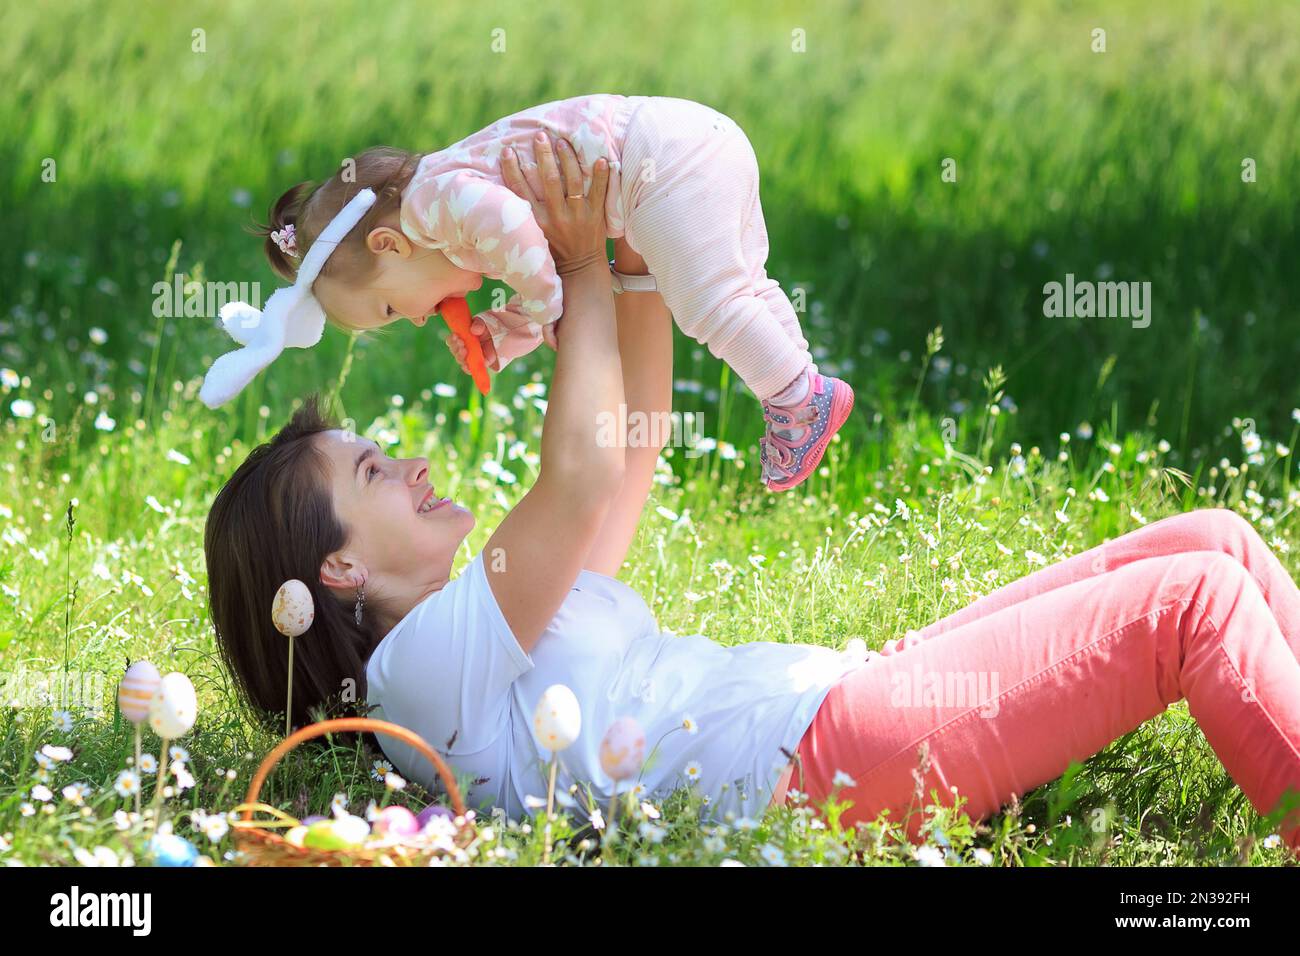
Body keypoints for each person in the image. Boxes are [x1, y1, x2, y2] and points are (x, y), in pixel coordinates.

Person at [204, 131, 1300, 858]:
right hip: (829, 766)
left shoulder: (499, 628)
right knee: (1190, 607)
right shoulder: (415, 673)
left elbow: (627, 455)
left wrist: (627, 254)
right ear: (335, 568)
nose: (410, 463)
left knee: (1214, 539)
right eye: (371, 473)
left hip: (855, 705)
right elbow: (578, 470)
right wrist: (572, 266)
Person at [201, 94, 854, 491]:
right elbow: (528, 253)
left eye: (392, 309)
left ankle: (797, 397)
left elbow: (519, 234)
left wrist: (547, 308)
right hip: (694, 143)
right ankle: (801, 387)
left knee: (711, 305)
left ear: (389, 246)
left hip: (664, 164)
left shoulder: (431, 204)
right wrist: (511, 330)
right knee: (746, 287)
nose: (419, 322)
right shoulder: (445, 211)